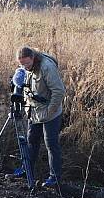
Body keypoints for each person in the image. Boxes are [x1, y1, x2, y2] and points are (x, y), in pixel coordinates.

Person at [12, 46, 66, 188]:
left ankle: (54, 179)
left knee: (51, 144)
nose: (24, 67)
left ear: (33, 58)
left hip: (50, 112)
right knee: (31, 140)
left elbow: (59, 91)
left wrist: (49, 112)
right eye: (21, 64)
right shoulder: (25, 66)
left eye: (27, 64)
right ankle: (26, 170)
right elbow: (28, 86)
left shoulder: (47, 67)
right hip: (34, 111)